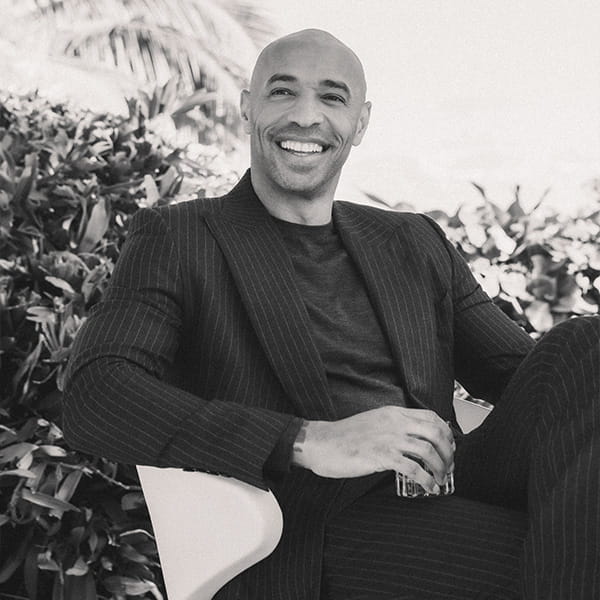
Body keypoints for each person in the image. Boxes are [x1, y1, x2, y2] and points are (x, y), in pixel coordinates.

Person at [63, 29, 600, 600]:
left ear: (360, 123)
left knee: (585, 345)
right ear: (247, 108)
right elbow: (96, 392)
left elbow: (536, 382)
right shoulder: (180, 237)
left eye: (332, 97)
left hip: (447, 481)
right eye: (282, 92)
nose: (305, 115)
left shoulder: (412, 240)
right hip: (308, 522)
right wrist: (309, 440)